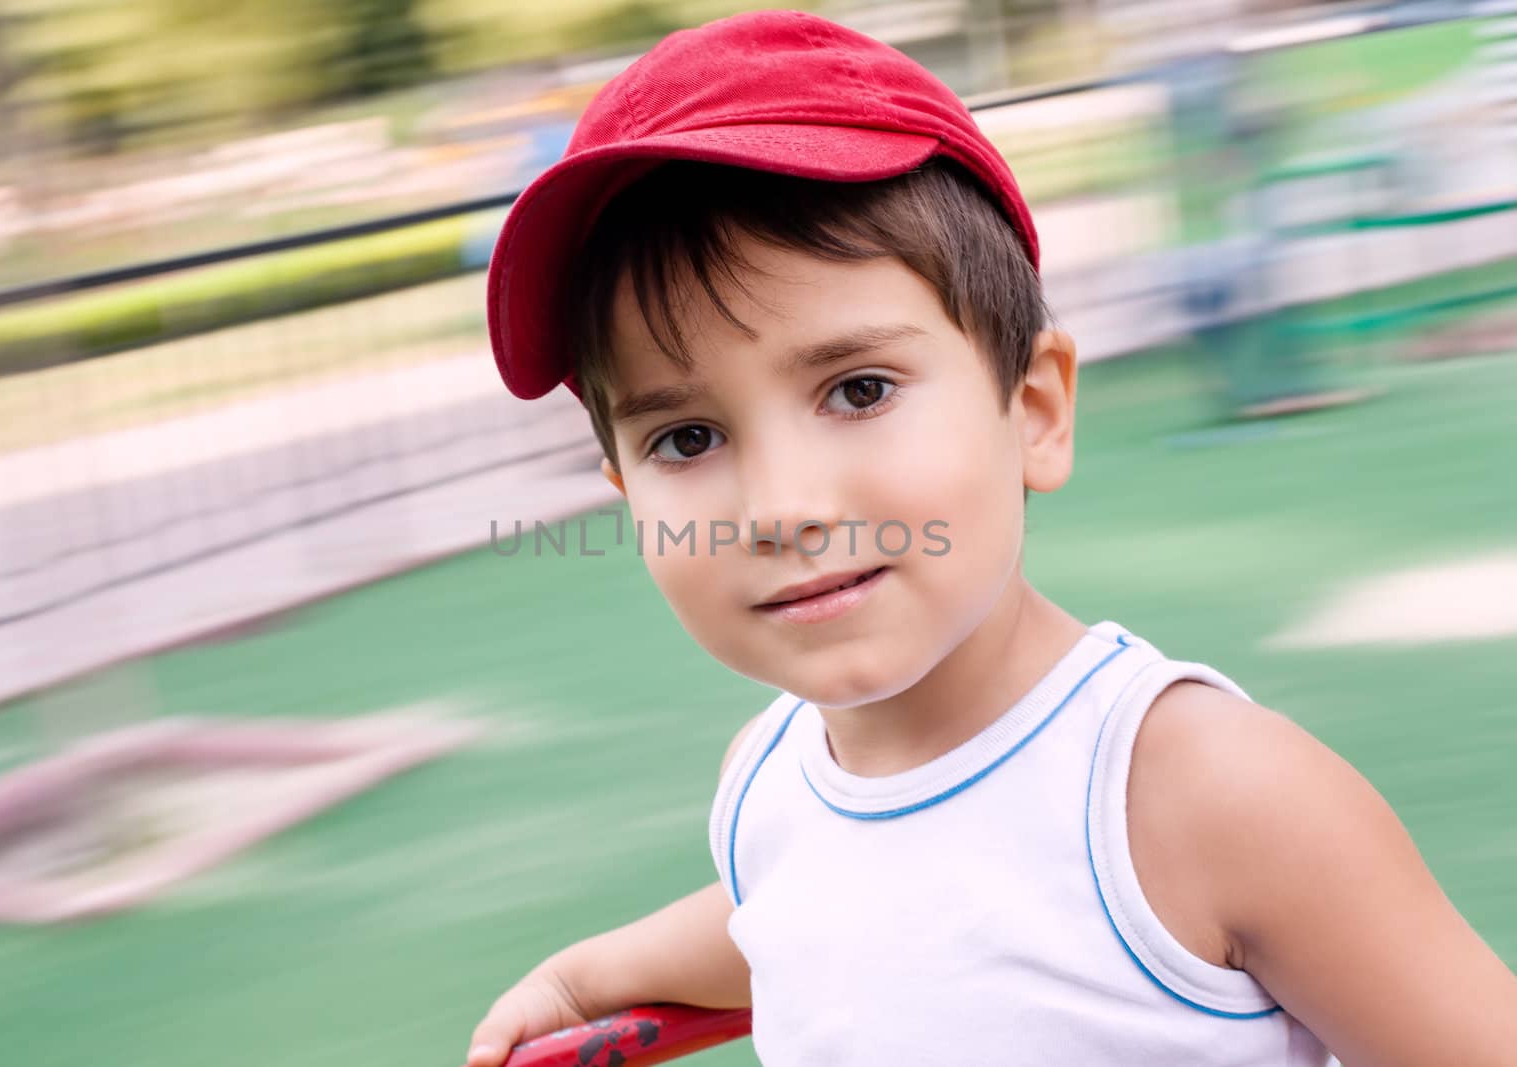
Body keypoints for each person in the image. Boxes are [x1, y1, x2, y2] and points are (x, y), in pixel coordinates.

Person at [465, 11, 1517, 1065]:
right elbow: (812, 910)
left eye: (858, 388)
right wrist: (584, 974)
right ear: (623, 489)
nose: (780, 505)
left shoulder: (1205, 793)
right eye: (686, 437)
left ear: (1034, 409)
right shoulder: (766, 782)